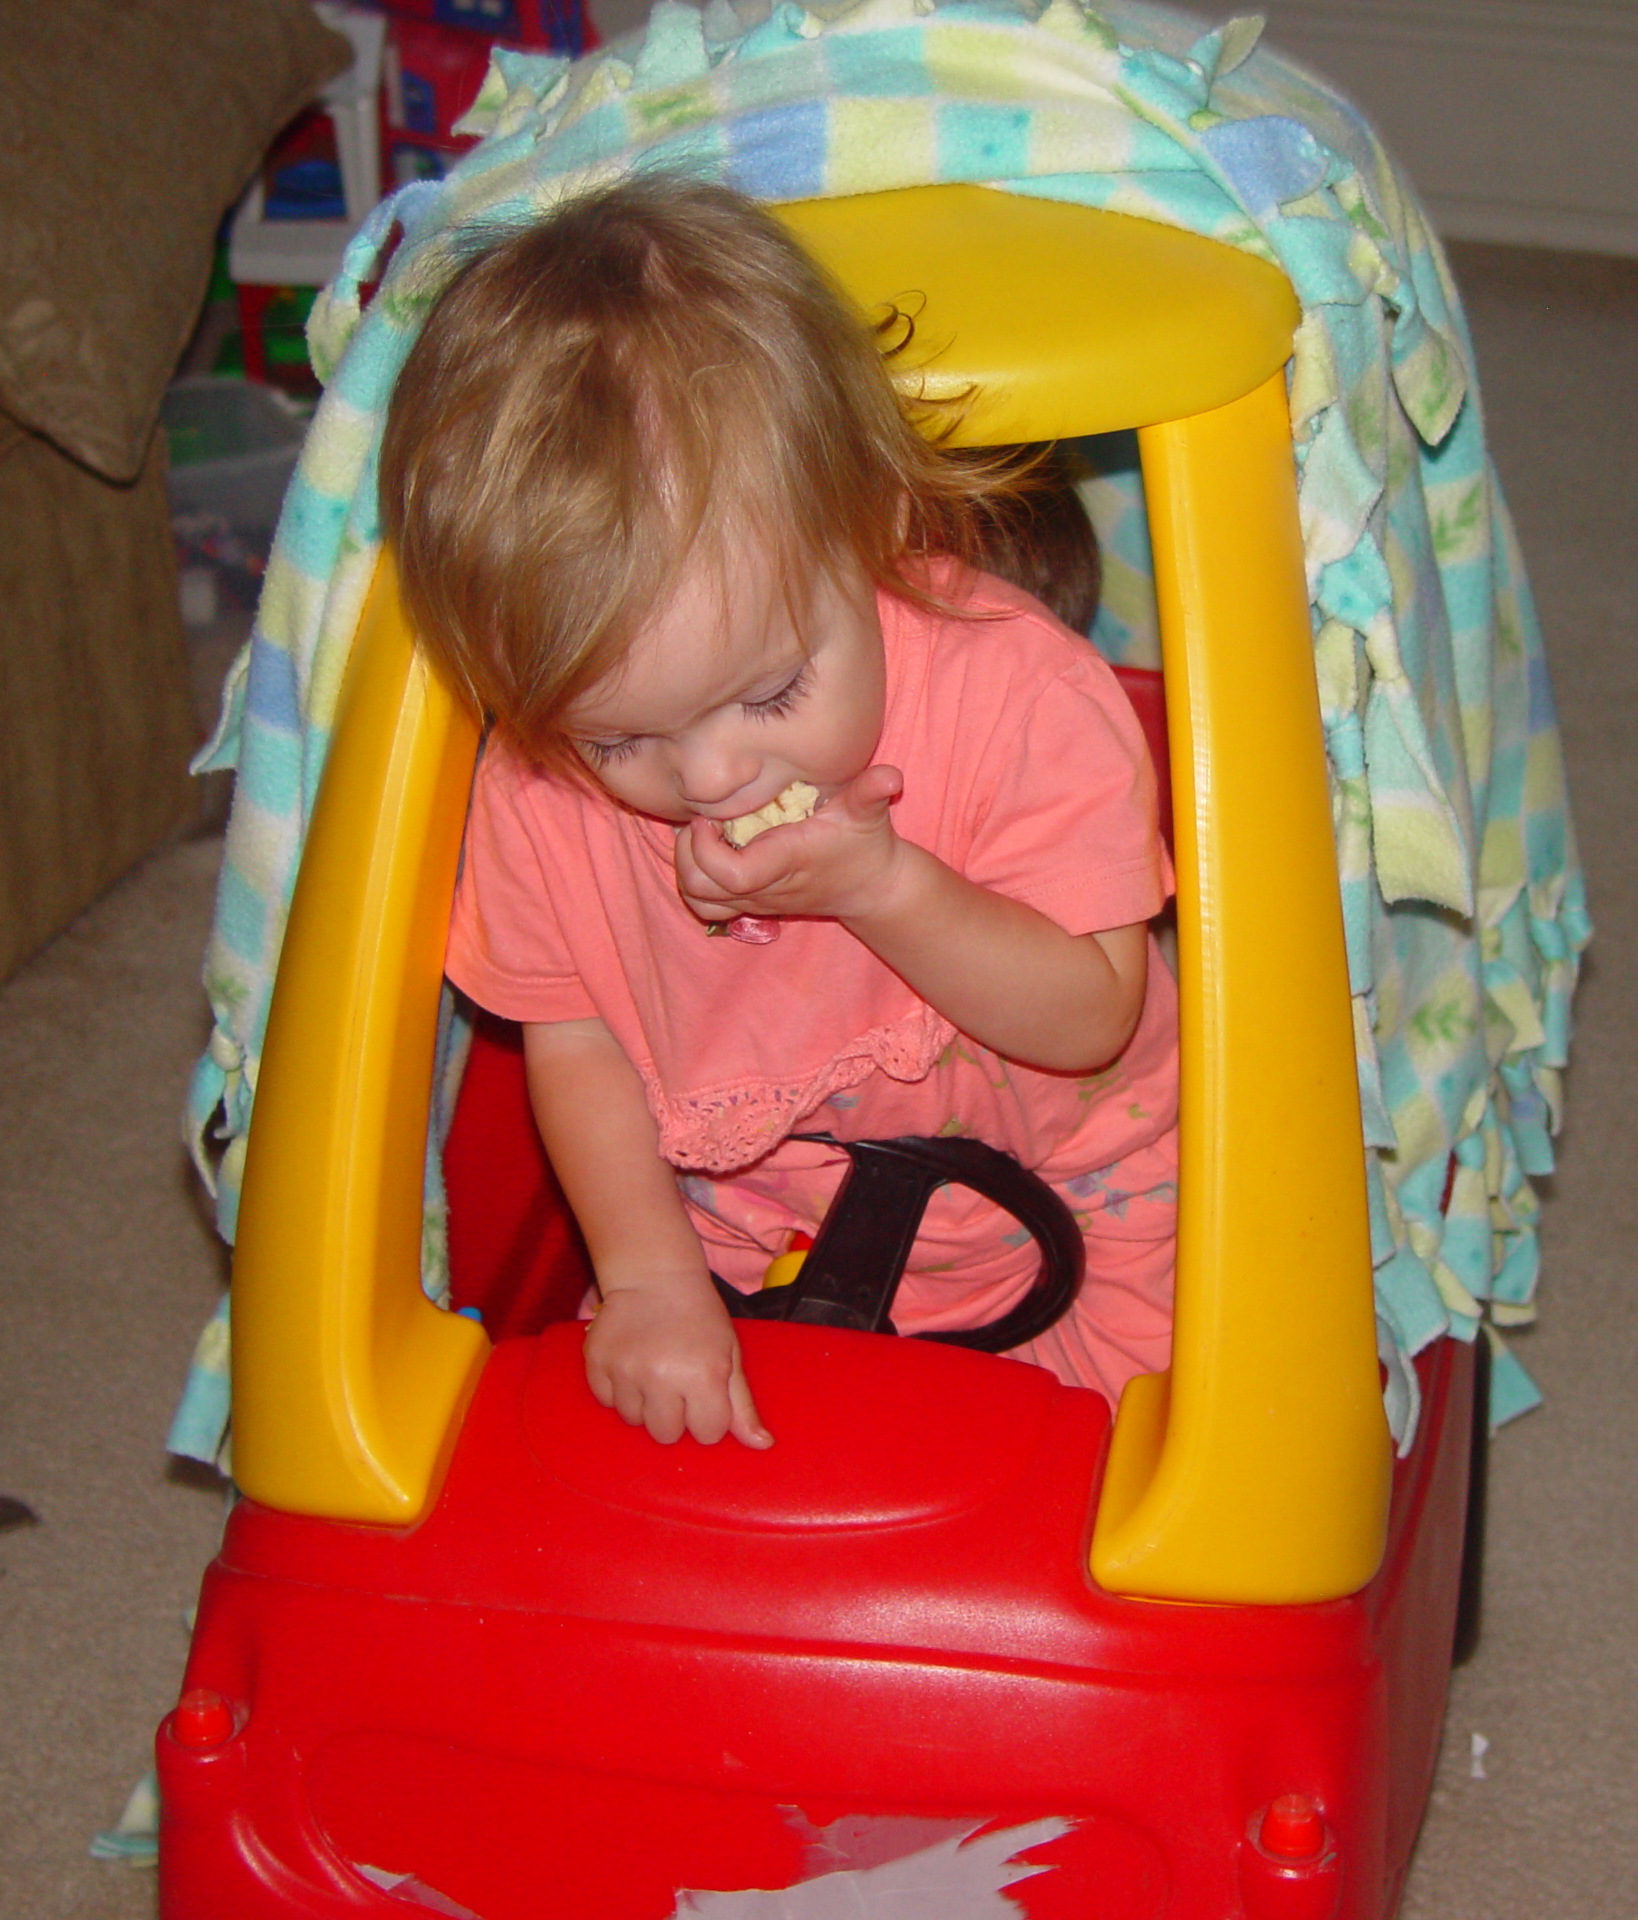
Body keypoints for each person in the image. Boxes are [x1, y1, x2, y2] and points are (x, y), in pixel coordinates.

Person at [379, 176, 1177, 1450]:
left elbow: (1091, 1019)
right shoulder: (536, 787)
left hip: (1093, 1187)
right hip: (739, 1229)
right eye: (619, 738)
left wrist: (883, 886)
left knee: (1164, 1479)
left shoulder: (1022, 698)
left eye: (769, 692)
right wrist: (648, 1281)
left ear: (864, 524)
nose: (706, 779)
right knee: (622, 1490)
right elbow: (571, 1040)